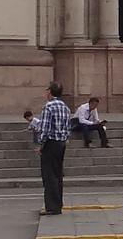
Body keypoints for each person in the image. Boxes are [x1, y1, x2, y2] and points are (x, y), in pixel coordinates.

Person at [27, 81, 72, 217]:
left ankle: (52, 207)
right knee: (58, 174)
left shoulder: (48, 107)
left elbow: (45, 128)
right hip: (61, 143)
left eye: (47, 90)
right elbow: (68, 127)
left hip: (51, 143)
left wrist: (40, 144)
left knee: (49, 175)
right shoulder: (65, 107)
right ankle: (58, 204)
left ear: (50, 92)